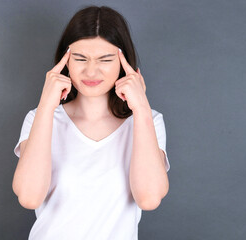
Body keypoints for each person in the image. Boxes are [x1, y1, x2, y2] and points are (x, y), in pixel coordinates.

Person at [12, 5, 170, 240]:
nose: (91, 71)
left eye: (105, 59)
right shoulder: (39, 118)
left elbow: (148, 199)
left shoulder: (148, 121)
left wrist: (141, 108)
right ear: (65, 61)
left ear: (123, 62)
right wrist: (46, 104)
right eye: (80, 58)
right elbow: (29, 197)